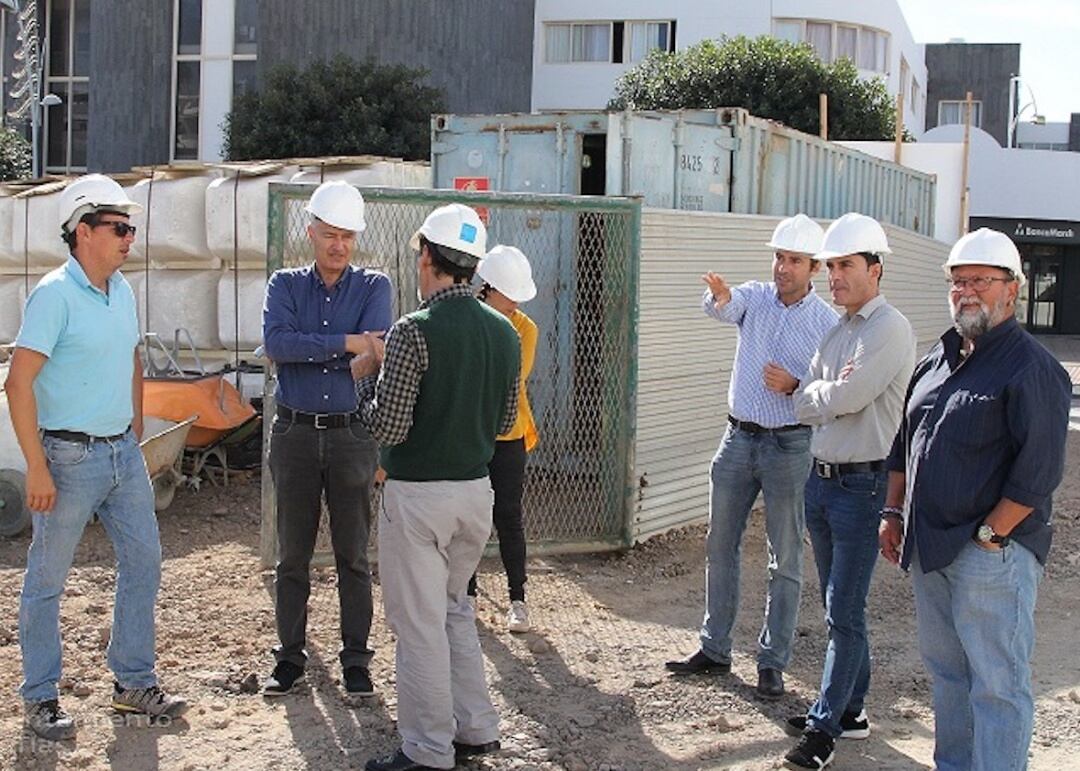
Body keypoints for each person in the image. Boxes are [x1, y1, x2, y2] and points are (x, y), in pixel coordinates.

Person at [4, 174, 189, 741]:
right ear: (83, 232)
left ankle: (132, 683)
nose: (130, 237)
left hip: (119, 455)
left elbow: (131, 358)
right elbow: (18, 383)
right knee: (47, 581)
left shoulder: (122, 291)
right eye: (120, 227)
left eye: (131, 227)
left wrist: (133, 429)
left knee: (144, 562)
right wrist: (36, 465)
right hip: (66, 457)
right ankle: (40, 698)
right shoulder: (54, 295)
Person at [879, 228, 1071, 771]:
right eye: (958, 281)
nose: (966, 291)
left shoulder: (1031, 368)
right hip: (929, 549)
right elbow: (903, 445)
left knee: (997, 684)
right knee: (947, 675)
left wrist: (991, 536)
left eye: (980, 281)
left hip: (990, 555)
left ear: (1012, 289)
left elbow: (1038, 473)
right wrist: (893, 513)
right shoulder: (938, 358)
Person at [356, 204, 520, 771]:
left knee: (419, 624)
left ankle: (427, 749)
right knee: (454, 609)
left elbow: (389, 426)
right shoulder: (504, 330)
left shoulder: (412, 330)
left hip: (419, 495)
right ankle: (475, 727)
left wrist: (367, 377)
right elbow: (503, 423)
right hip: (475, 494)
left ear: (427, 257)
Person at [665, 214, 837, 699]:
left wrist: (797, 386)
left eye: (795, 260)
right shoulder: (756, 297)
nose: (783, 267)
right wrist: (720, 297)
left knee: (785, 557)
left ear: (815, 268)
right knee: (720, 545)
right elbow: (723, 307)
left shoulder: (826, 324)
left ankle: (772, 662)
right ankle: (715, 648)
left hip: (790, 444)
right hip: (738, 439)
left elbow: (827, 392)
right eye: (779, 257)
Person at [783, 213, 916, 770]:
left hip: (863, 486)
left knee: (845, 608)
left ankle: (824, 729)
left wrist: (821, 394)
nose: (834, 275)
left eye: (845, 265)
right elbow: (810, 399)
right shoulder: (839, 330)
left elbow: (848, 395)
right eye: (831, 266)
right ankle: (853, 711)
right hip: (822, 480)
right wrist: (823, 394)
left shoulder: (890, 328)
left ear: (875, 269)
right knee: (839, 606)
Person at [261, 181, 392, 697]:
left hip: (351, 435)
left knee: (353, 554)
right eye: (330, 234)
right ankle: (289, 658)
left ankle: (356, 660)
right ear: (310, 230)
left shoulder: (375, 286)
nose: (339, 245)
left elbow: (373, 355)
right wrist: (345, 341)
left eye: (347, 236)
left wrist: (333, 348)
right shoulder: (285, 284)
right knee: (291, 554)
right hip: (293, 432)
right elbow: (276, 345)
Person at [466, 245, 540, 634]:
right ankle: (468, 596)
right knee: (469, 520)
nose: (514, 302)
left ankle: (518, 600)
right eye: (509, 292)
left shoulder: (525, 329)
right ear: (488, 287)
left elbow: (511, 376)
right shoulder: (465, 320)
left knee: (507, 516)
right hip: (468, 435)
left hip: (508, 436)